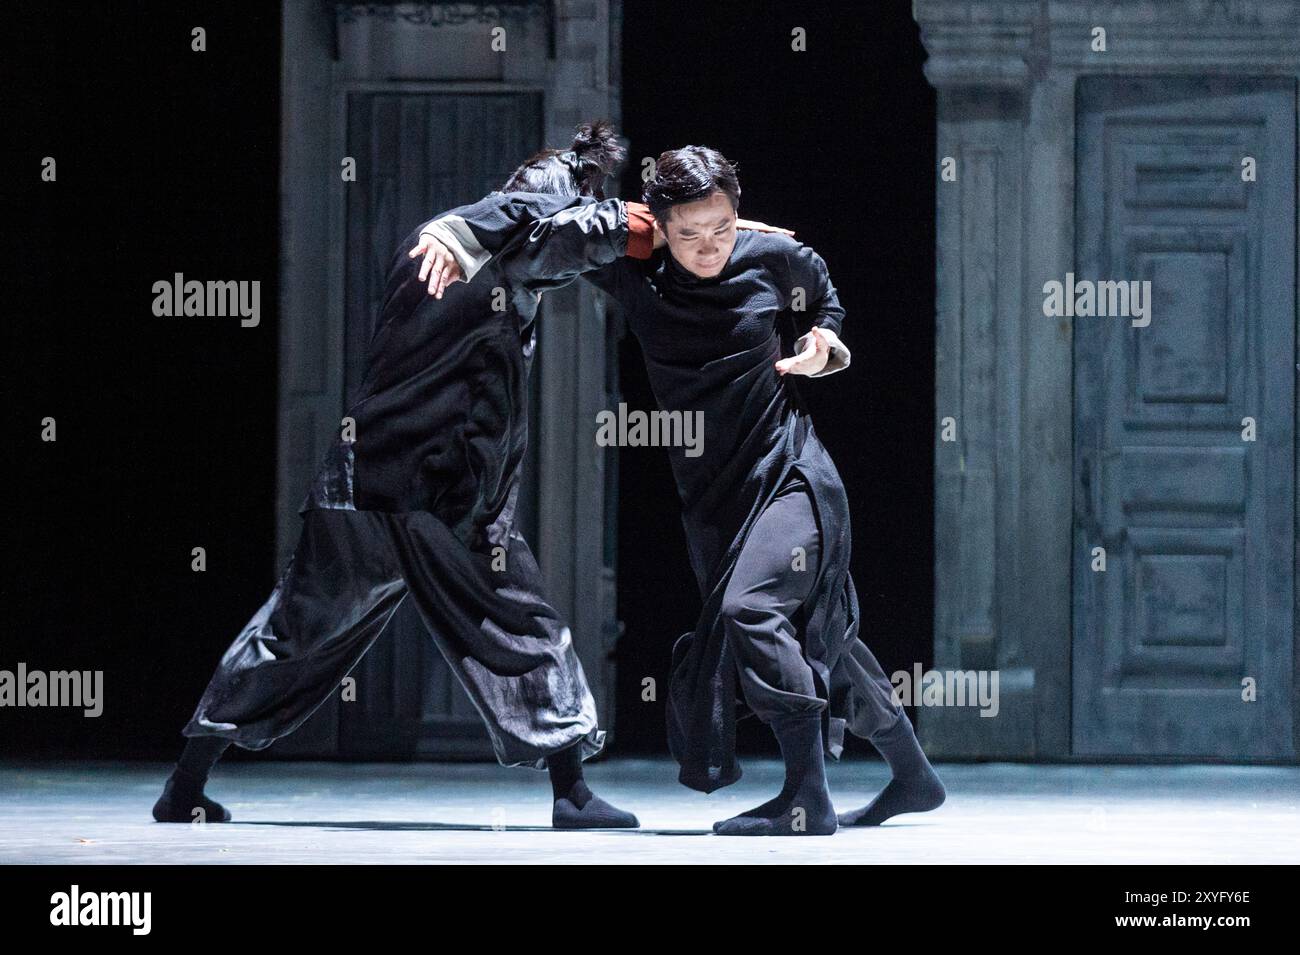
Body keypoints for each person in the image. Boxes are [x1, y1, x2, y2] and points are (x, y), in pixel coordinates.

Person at [414, 145, 947, 836]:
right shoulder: (636, 276)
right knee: (823, 631)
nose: (711, 247)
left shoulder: (768, 257)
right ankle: (912, 773)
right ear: (658, 226)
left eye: (723, 226)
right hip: (716, 499)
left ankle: (805, 798)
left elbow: (823, 287)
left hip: (792, 476)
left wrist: (826, 339)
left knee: (753, 608)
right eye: (690, 232)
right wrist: (454, 235)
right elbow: (549, 232)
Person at [152, 122, 649, 830]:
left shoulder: (436, 243)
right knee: (524, 625)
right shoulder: (498, 252)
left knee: (290, 631)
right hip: (439, 496)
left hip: (355, 487)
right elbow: (566, 237)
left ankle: (183, 784)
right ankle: (571, 792)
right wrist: (652, 224)